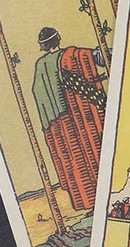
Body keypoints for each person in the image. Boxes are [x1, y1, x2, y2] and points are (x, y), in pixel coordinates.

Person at [31, 27, 107, 211]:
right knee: (92, 152)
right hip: (80, 117)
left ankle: (88, 203)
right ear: (58, 38)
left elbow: (38, 93)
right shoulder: (70, 55)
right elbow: (99, 56)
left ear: (43, 45)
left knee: (75, 162)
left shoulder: (40, 66)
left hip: (58, 126)